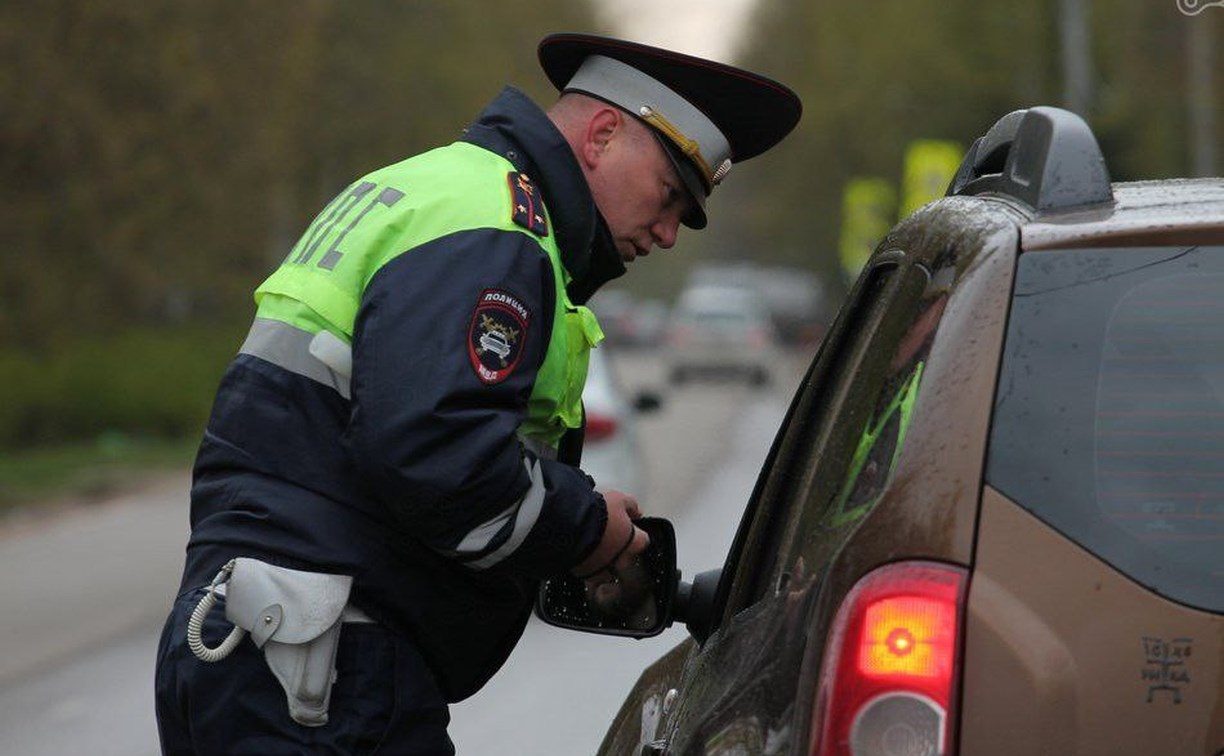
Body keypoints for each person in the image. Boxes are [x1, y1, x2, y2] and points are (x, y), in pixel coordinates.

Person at [154, 31, 801, 755]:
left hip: (256, 643)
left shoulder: (428, 187)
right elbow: (437, 454)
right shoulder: (499, 229)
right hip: (325, 675)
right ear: (604, 133)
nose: (669, 233)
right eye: (670, 195)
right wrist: (591, 531)